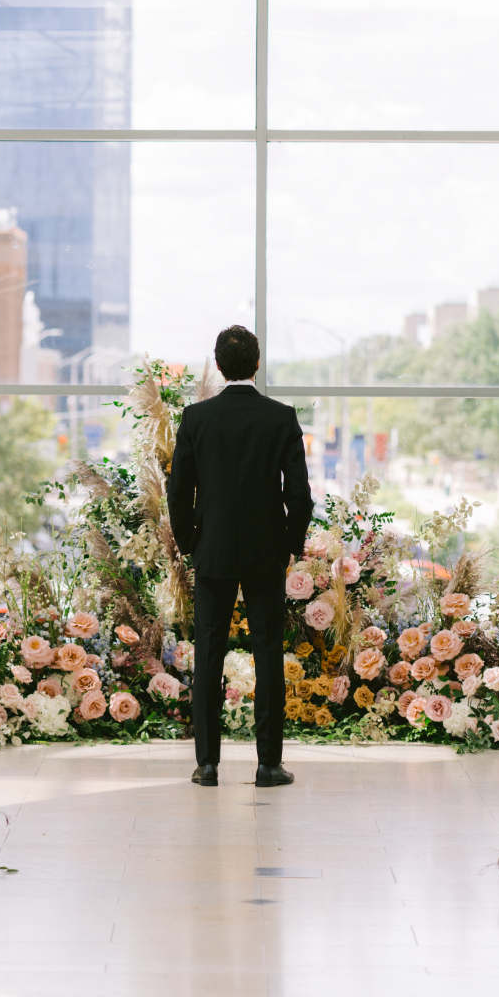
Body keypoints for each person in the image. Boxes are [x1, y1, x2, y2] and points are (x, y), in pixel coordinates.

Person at [167, 325, 313, 789]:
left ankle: (207, 764)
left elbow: (178, 492)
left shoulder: (196, 418)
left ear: (218, 362)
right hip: (266, 553)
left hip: (212, 552)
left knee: (208, 653)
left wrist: (191, 541)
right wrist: (290, 544)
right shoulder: (281, 417)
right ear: (256, 364)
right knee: (268, 654)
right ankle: (269, 765)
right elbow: (301, 495)